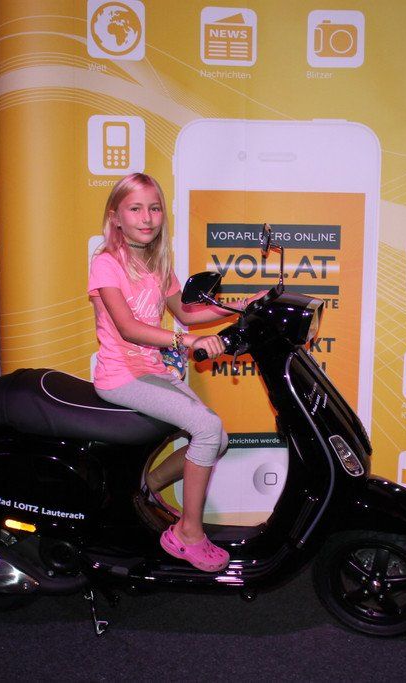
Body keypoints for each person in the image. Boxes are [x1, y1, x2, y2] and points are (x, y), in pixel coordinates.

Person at [87, 172, 263, 573]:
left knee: (217, 439)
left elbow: (185, 311)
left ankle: (145, 487)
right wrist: (187, 341)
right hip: (121, 376)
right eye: (135, 209)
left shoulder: (156, 262)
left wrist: (241, 306)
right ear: (115, 217)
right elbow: (128, 328)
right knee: (207, 429)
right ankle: (188, 533)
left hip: (153, 369)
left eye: (154, 208)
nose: (147, 218)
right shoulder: (107, 264)